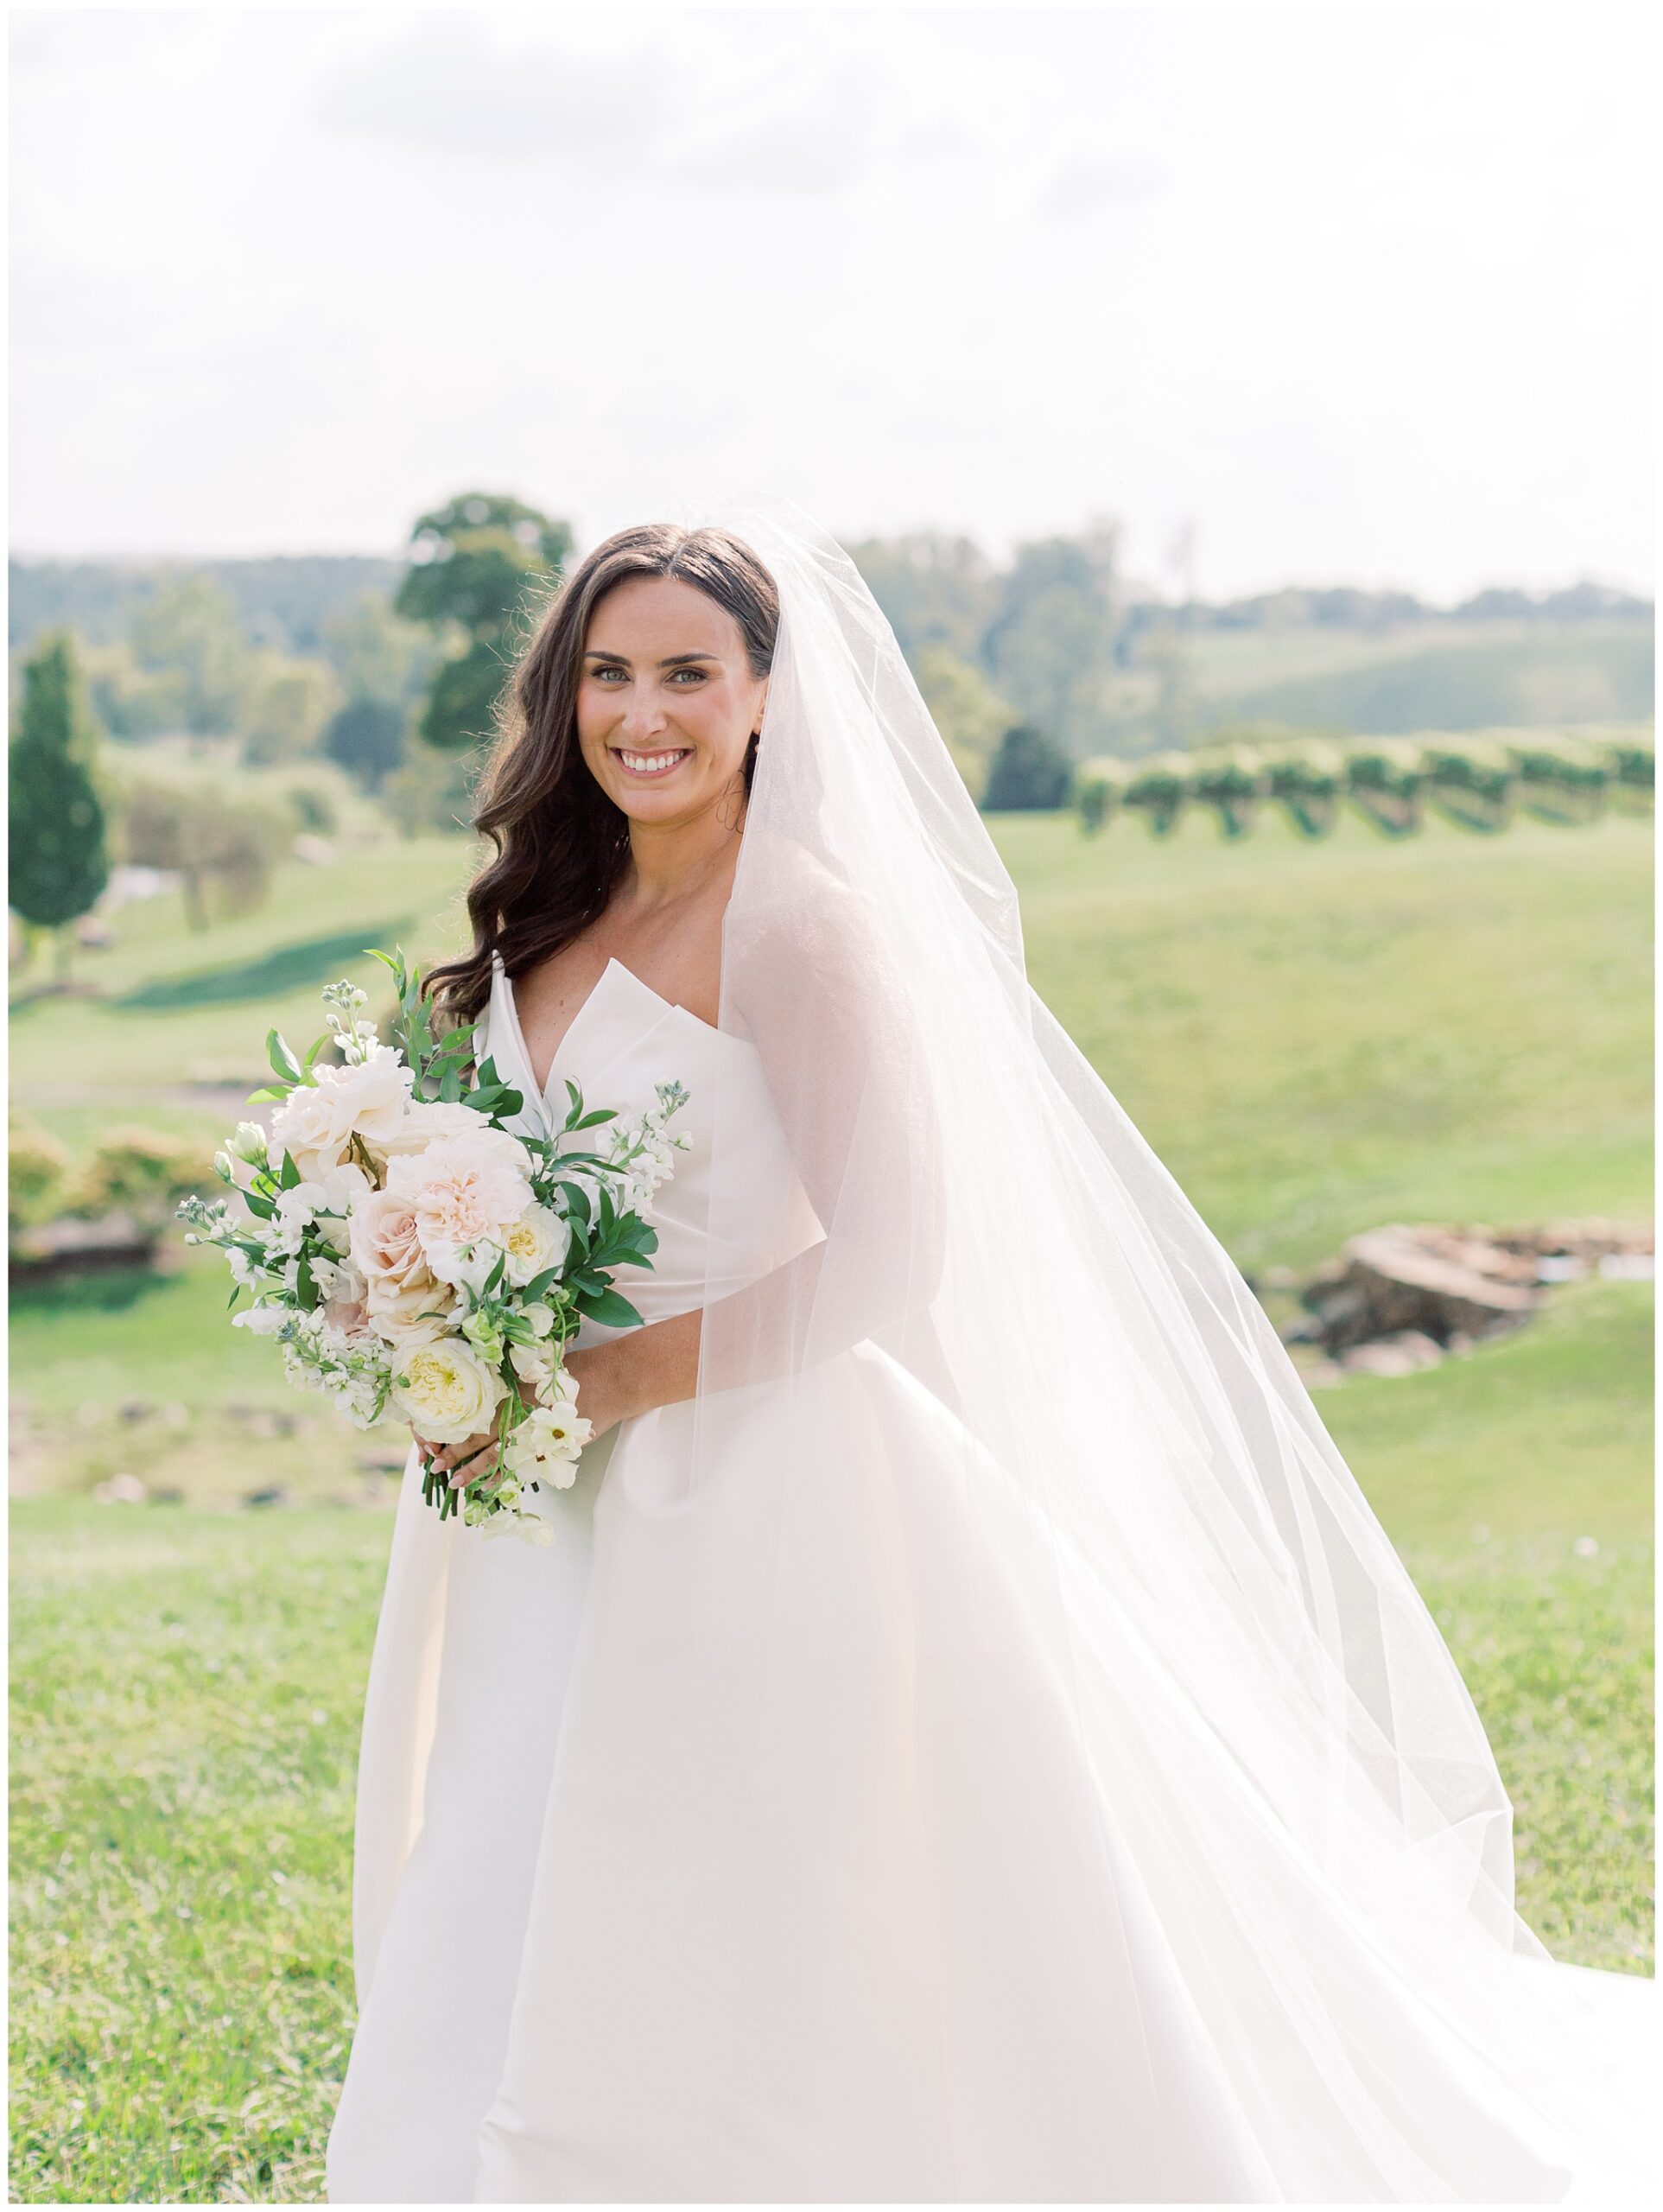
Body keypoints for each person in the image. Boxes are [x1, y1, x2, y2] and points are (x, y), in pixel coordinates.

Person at [326, 497, 1654, 2203]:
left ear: (768, 697)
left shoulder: (801, 925)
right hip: (543, 1508)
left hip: (754, 1491)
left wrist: (602, 1379)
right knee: (515, 1853)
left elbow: (889, 1255)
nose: (642, 712)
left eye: (688, 671)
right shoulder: (549, 917)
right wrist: (408, 1293)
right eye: (607, 670)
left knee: (742, 1890)